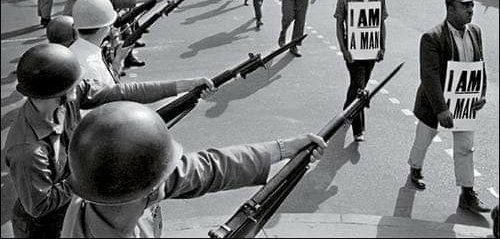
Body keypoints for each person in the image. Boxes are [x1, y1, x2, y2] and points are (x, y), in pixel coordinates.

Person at [4, 44, 215, 239]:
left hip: (74, 204)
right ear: (56, 93)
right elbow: (39, 206)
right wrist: (87, 174)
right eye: (72, 85)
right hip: (45, 228)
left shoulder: (67, 98)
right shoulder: (28, 150)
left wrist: (183, 87)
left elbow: (120, 93)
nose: (78, 87)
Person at [61, 101, 327, 237]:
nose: (169, 177)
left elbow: (208, 168)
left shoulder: (112, 185)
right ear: (149, 187)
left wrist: (284, 150)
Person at [407, 0, 490, 213]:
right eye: (465, 6)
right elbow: (429, 76)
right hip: (435, 102)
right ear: (451, 9)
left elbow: (479, 65)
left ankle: (467, 193)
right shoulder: (432, 37)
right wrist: (441, 109)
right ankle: (415, 168)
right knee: (424, 138)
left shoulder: (475, 31)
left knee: (465, 147)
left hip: (464, 104)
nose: (471, 10)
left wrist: (481, 92)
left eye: (471, 5)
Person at [334, 0, 387, 142]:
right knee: (359, 87)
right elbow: (339, 25)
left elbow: (381, 23)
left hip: (371, 51)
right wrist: (344, 50)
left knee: (357, 85)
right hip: (353, 50)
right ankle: (359, 129)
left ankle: (345, 113)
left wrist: (382, 47)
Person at [69, 0, 131, 86]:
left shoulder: (72, 52)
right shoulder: (93, 66)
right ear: (105, 28)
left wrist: (117, 62)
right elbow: (110, 95)